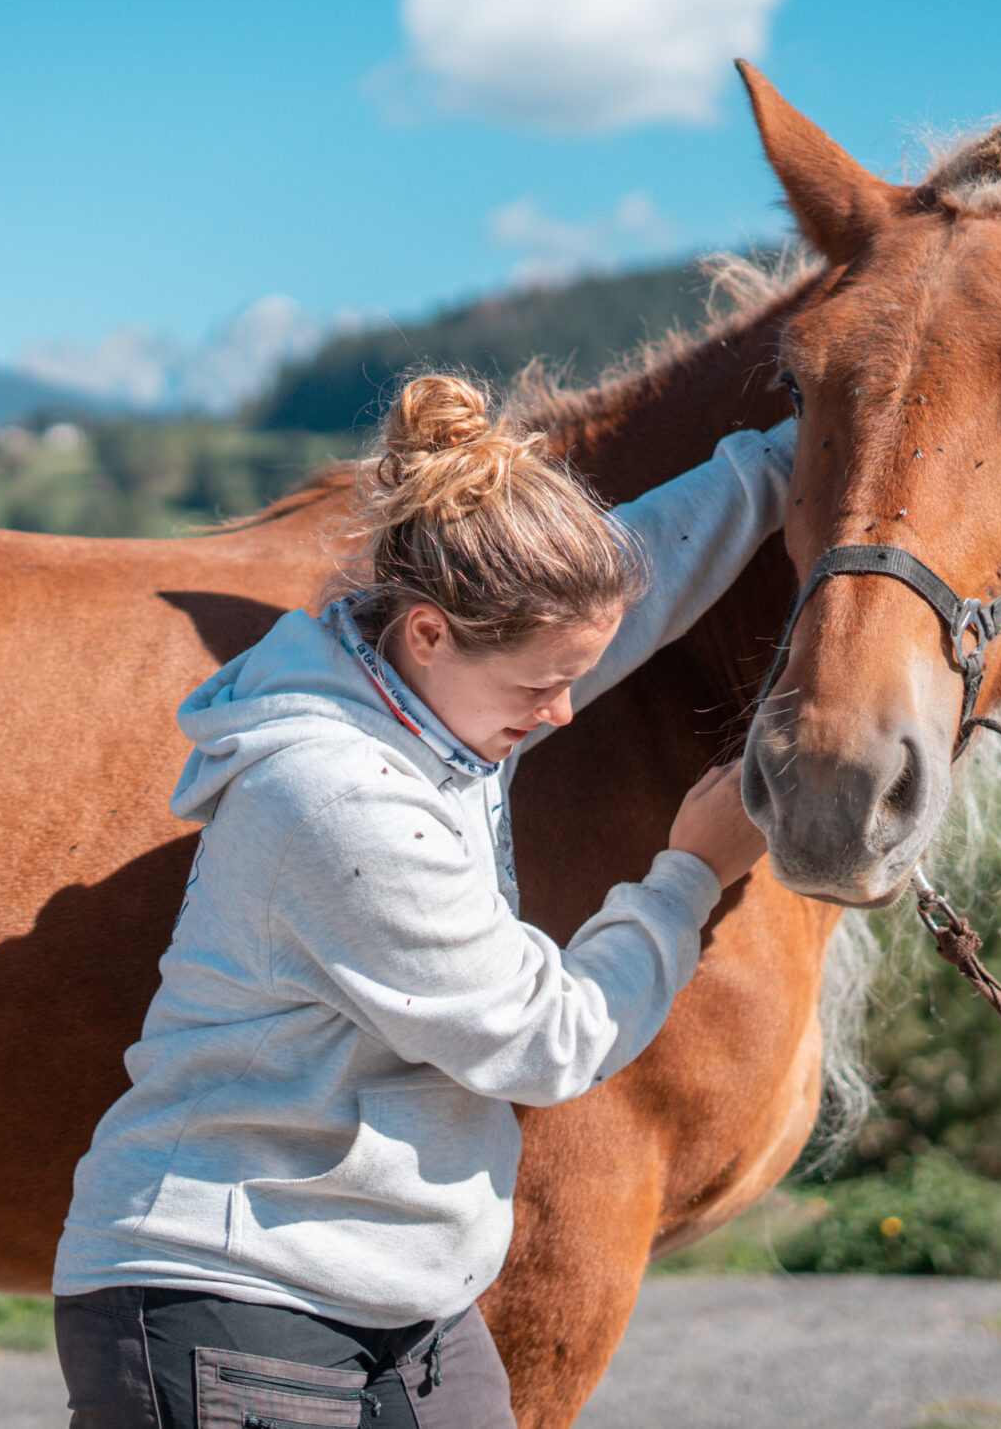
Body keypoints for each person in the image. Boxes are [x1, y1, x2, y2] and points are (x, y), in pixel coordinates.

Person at [53, 374, 795, 1428]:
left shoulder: (441, 692)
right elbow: (545, 1041)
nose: (564, 712)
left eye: (572, 676)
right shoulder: (339, 800)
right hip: (233, 1301)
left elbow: (645, 574)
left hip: (408, 1306)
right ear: (430, 634)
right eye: (541, 687)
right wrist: (689, 875)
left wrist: (786, 458)